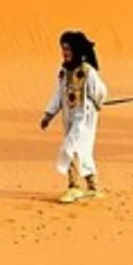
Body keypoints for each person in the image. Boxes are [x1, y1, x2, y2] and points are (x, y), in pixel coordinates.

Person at [40, 30, 108, 203]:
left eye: (68, 49)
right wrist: (49, 114)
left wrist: (96, 103)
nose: (64, 53)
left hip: (84, 118)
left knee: (70, 148)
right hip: (70, 118)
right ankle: (93, 187)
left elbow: (100, 90)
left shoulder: (87, 71)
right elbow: (58, 94)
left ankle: (74, 187)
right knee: (82, 151)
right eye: (63, 49)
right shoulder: (64, 71)